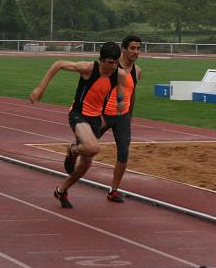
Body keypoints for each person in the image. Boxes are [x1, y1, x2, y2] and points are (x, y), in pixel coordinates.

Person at [29, 41, 126, 209]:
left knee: (86, 164)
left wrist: (119, 103)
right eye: (110, 62)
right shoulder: (88, 68)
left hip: (96, 119)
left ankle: (61, 190)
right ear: (101, 60)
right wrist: (40, 88)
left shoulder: (119, 74)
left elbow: (120, 90)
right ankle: (72, 149)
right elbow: (58, 64)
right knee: (93, 148)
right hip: (78, 115)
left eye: (116, 62)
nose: (113, 66)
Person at [100, 35, 143, 203]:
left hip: (122, 116)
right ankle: (73, 151)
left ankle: (114, 190)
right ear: (124, 49)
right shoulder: (112, 67)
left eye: (138, 48)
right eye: (132, 48)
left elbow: (132, 95)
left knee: (124, 152)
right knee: (86, 148)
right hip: (104, 114)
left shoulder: (137, 71)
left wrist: (130, 117)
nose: (135, 52)